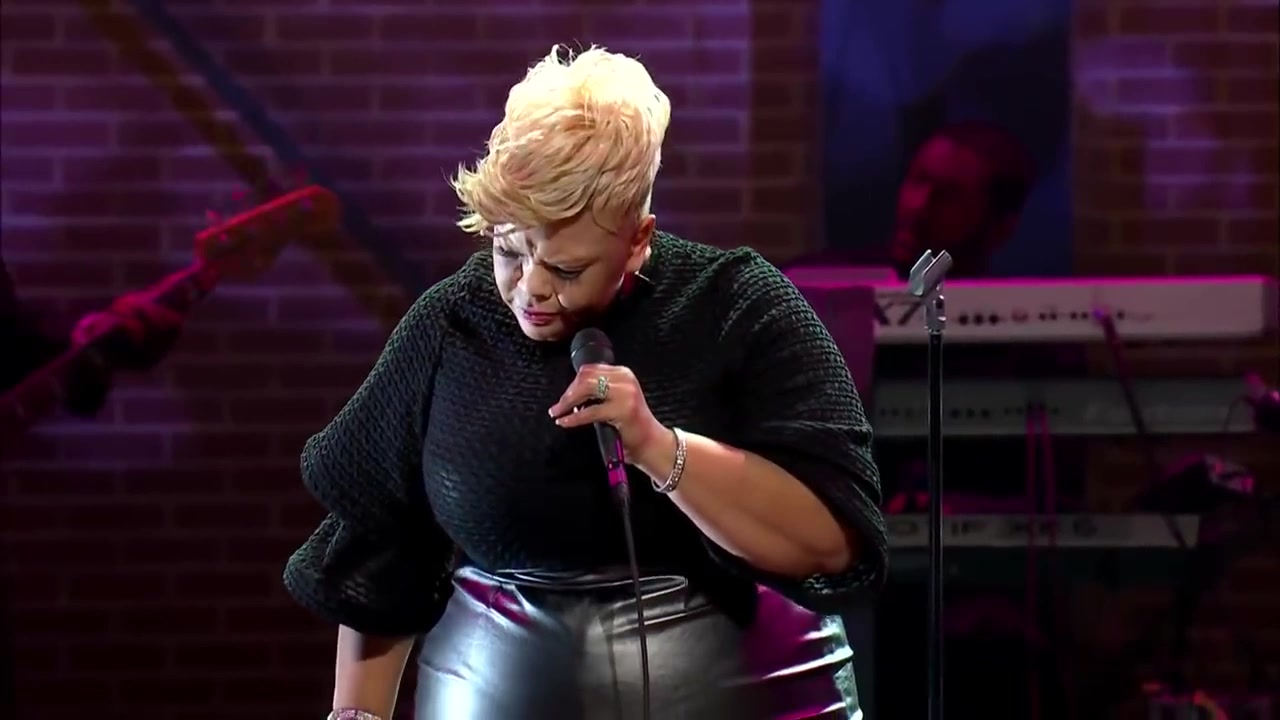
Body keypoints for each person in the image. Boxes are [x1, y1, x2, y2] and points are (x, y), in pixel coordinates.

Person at [283, 45, 886, 720]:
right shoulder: (452, 322)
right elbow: (380, 550)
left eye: (566, 270)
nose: (530, 289)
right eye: (509, 252)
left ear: (638, 238)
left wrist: (656, 446)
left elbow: (832, 543)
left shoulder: (739, 307)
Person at [794, 121, 1034, 281]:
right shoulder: (817, 283)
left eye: (948, 194)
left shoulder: (1021, 317)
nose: (917, 205)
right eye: (918, 180)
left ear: (1001, 229)